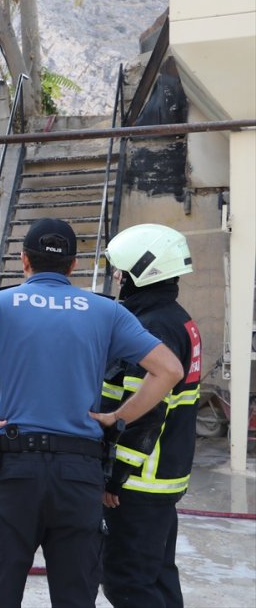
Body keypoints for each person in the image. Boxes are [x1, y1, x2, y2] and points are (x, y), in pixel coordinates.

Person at [0, 217, 184, 608]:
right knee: (76, 598)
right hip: (79, 477)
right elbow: (170, 370)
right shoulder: (106, 312)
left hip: (13, 473)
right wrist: (119, 417)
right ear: (73, 266)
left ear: (24, 261)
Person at [99, 224, 201, 608]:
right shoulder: (176, 318)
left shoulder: (153, 327)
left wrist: (115, 475)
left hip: (140, 481)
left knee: (127, 582)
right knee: (157, 574)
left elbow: (146, 409)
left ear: (143, 271)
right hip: (164, 476)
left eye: (121, 270)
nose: (116, 277)